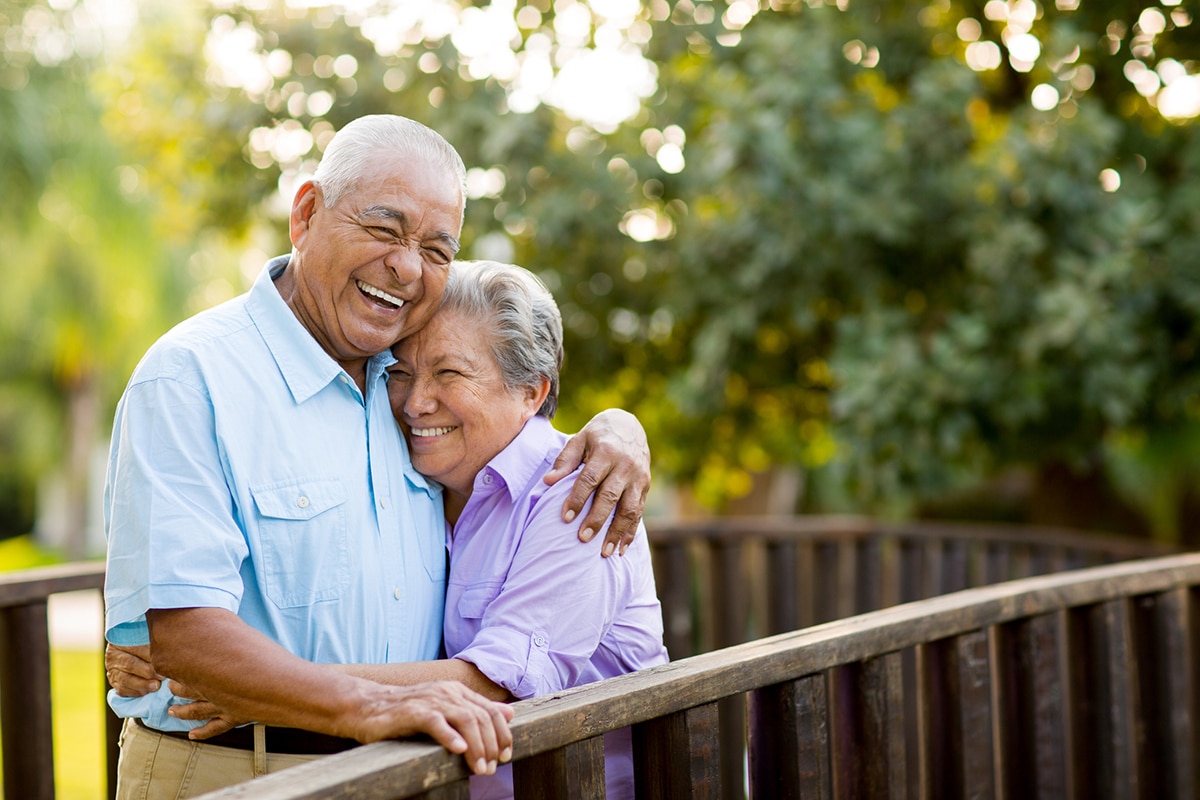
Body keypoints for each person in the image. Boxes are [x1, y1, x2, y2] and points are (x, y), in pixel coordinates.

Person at [102, 115, 651, 799]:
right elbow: (185, 641)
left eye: (436, 249)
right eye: (385, 230)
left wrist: (620, 428)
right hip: (241, 772)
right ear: (305, 215)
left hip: (409, 773)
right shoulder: (192, 376)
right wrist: (366, 705)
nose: (407, 266)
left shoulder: (401, 387)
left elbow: (507, 413)